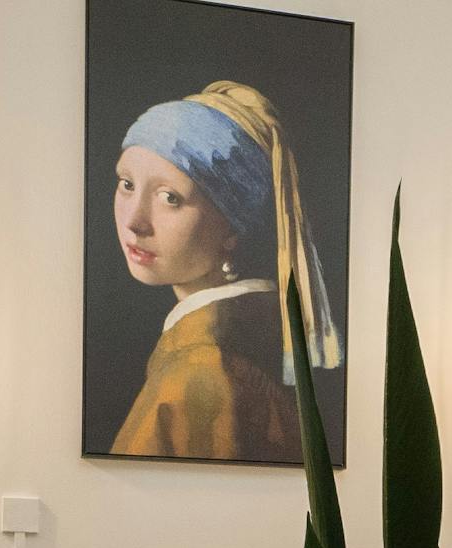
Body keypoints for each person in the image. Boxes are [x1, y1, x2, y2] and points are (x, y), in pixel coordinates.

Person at [108, 81, 342, 462]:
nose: (135, 221)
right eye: (127, 184)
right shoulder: (246, 337)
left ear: (233, 226)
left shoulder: (201, 372)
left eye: (170, 198)